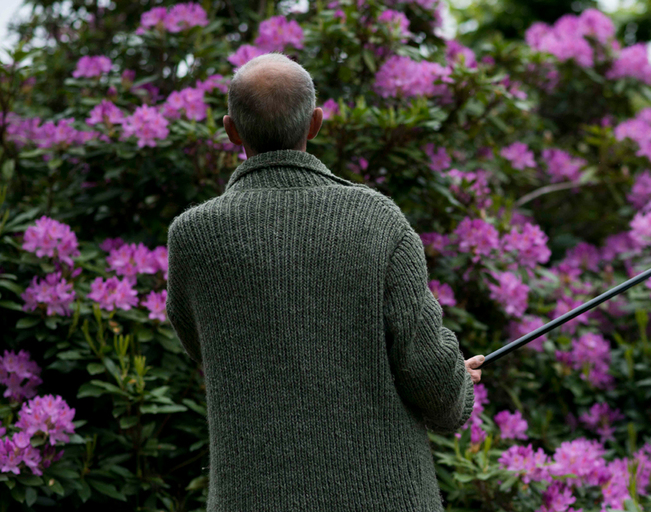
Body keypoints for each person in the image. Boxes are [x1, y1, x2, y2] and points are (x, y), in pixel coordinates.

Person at [165, 52, 484, 512]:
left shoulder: (193, 237)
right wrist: (456, 380)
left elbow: (206, 345)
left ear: (230, 129)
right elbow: (430, 379)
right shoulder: (378, 220)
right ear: (315, 123)